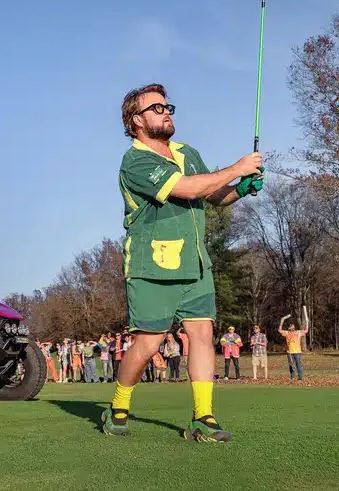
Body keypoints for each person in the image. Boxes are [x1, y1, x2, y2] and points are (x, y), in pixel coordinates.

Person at [101, 83, 264, 442]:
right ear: (136, 121)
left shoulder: (187, 153)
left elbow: (213, 194)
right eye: (157, 108)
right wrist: (237, 167)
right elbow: (187, 188)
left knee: (202, 335)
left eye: (167, 106)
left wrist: (242, 187)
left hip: (195, 264)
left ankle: (203, 418)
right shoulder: (136, 161)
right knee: (148, 345)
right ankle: (118, 406)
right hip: (152, 267)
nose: (166, 112)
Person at [278, 312, 308, 381]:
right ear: (289, 328)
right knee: (291, 365)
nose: (292, 327)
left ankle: (300, 377)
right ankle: (292, 377)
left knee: (298, 364)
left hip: (297, 352)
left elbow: (306, 330)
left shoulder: (298, 332)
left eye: (293, 326)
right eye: (291, 326)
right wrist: (282, 320)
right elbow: (279, 330)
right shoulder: (287, 333)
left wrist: (307, 322)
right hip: (290, 352)